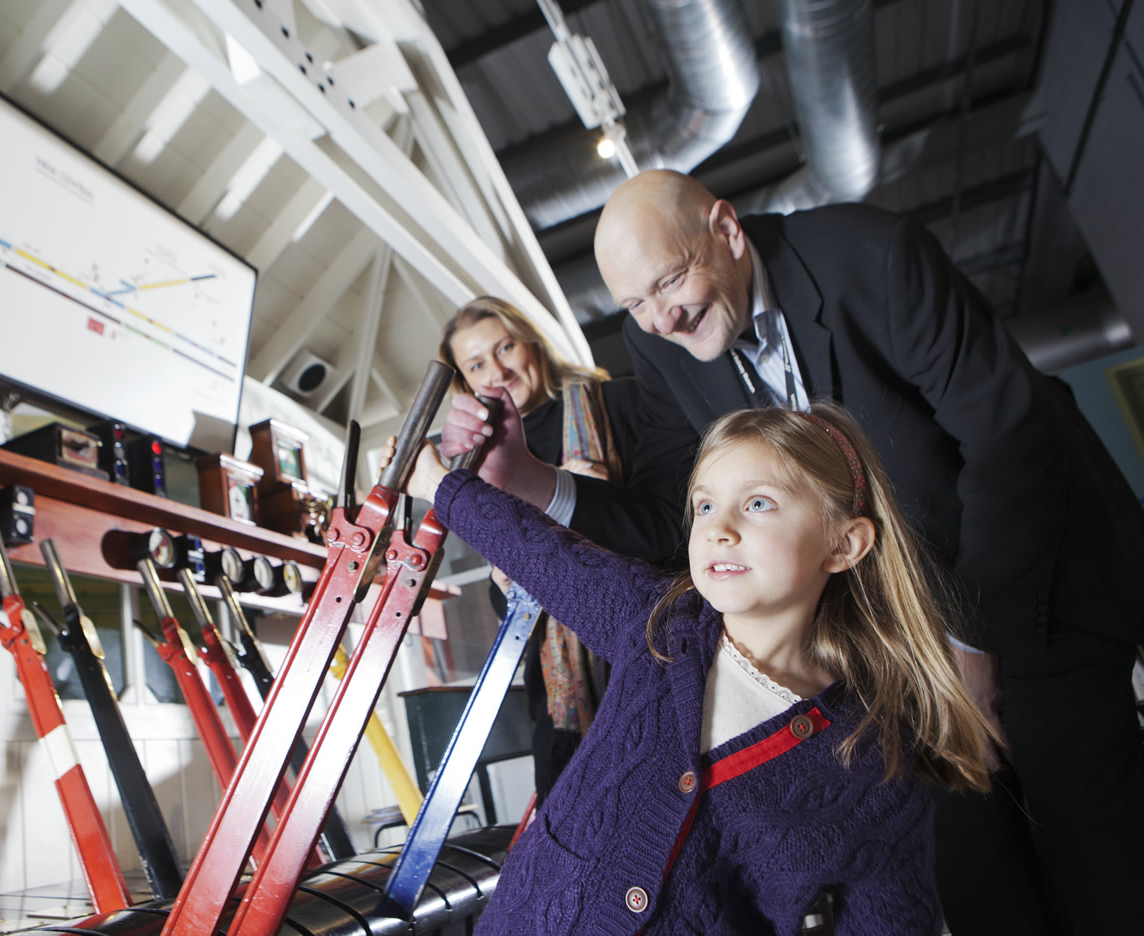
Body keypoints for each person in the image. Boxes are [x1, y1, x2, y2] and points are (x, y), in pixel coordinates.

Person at [441, 169, 1144, 935]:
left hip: (1031, 583)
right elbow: (668, 518)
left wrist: (972, 643)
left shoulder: (873, 256)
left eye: (670, 282)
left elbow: (1010, 440)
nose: (662, 319)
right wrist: (529, 480)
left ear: (727, 230)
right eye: (634, 304)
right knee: (979, 884)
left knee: (1097, 858)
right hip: (897, 648)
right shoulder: (668, 346)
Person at [399, 402, 993, 934]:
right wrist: (436, 480)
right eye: (705, 505)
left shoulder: (873, 765)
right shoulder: (661, 624)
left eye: (757, 504)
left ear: (844, 544)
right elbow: (544, 551)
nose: (719, 529)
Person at [439, 296, 644, 804]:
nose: (499, 371)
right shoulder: (478, 464)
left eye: (505, 346)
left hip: (641, 650)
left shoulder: (613, 406)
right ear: (465, 385)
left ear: (532, 342)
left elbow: (652, 527)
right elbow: (508, 602)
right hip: (559, 693)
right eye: (477, 364)